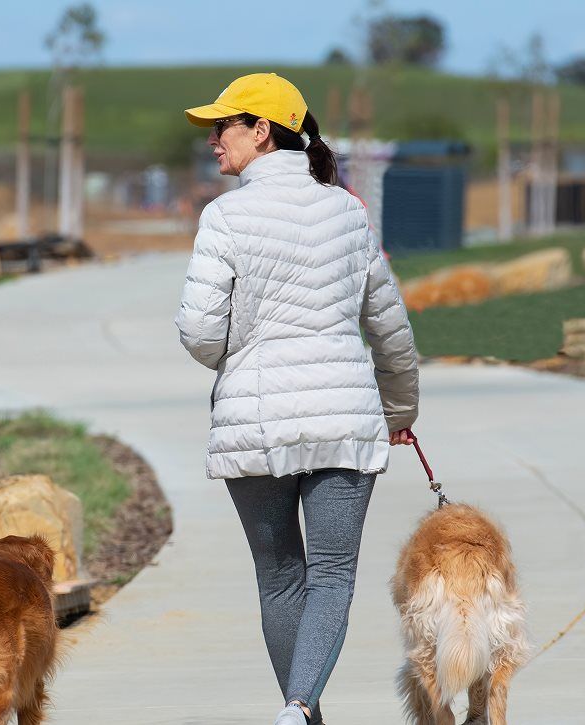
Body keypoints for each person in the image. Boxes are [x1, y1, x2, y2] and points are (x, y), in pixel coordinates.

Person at [174, 73, 420, 725]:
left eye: (220, 127)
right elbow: (390, 327)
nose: (211, 141)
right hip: (343, 419)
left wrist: (240, 350)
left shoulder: (224, 216)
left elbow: (198, 331)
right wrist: (399, 413)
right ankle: (299, 706)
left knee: (280, 577)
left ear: (261, 130)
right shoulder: (345, 211)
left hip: (252, 423)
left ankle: (297, 707)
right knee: (332, 576)